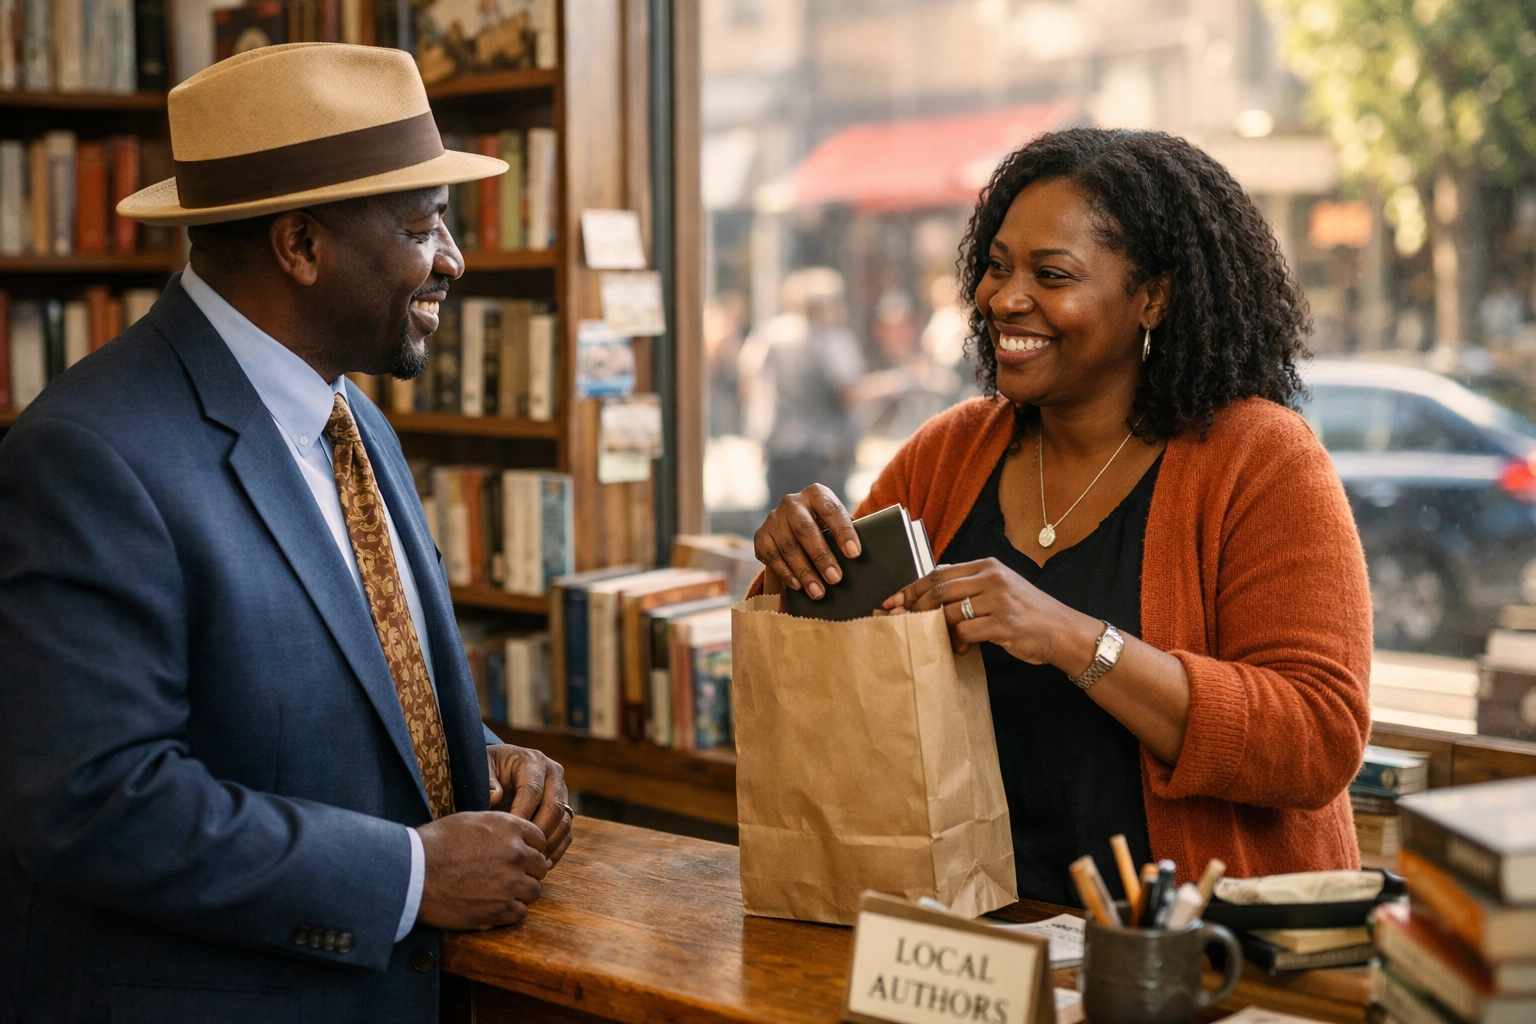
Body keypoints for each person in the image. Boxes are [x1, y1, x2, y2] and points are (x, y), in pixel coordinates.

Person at [0, 44, 571, 1021]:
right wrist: (407, 874)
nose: (452, 259)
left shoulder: (354, 421)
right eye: (422, 226)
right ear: (300, 246)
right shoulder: (86, 455)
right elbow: (93, 798)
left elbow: (350, 676)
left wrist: (480, 756)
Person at [752, 127, 1372, 904]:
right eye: (998, 266)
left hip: (1183, 960)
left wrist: (1071, 638)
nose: (1004, 298)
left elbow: (1316, 739)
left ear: (1155, 295)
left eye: (1052, 274)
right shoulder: (947, 454)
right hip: (960, 950)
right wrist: (792, 565)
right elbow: (823, 679)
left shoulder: (1263, 460)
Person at [738, 267, 866, 503]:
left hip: (780, 451)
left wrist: (757, 433)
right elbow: (847, 394)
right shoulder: (832, 339)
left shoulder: (769, 334)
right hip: (823, 453)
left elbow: (748, 384)